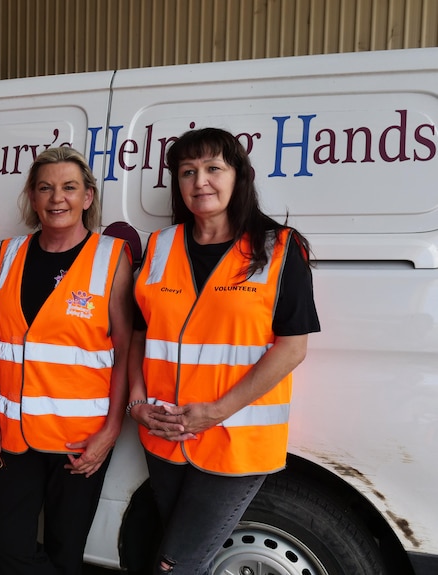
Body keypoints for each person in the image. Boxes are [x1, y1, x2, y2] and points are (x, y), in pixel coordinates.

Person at [127, 127, 321, 574]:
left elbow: (292, 348)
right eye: (187, 172)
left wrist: (215, 412)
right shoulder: (160, 246)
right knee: (173, 551)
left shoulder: (278, 248)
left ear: (239, 177)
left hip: (235, 442)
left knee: (175, 565)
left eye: (214, 168)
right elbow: (140, 334)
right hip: (164, 437)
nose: (200, 182)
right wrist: (137, 403)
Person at [0, 146, 133, 575]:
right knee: (10, 549)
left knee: (66, 552)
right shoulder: (10, 254)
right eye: (44, 187)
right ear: (31, 195)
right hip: (11, 437)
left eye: (68, 187)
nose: (56, 198)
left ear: (88, 197)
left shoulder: (111, 258)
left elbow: (123, 352)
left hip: (80, 443)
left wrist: (111, 431)